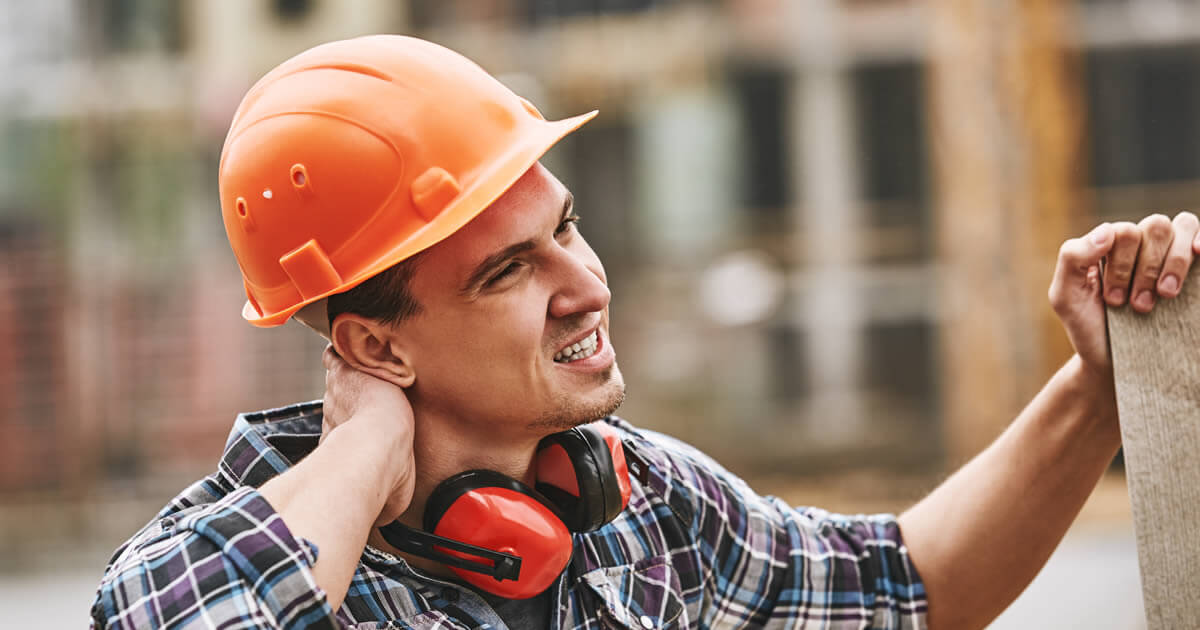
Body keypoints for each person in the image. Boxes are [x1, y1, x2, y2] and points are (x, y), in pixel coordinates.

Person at [90, 35, 1199, 630]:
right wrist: (366, 453)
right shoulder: (185, 574)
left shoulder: (639, 508)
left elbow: (905, 592)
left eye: (567, 226)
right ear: (377, 345)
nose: (587, 285)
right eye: (511, 271)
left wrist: (1095, 392)